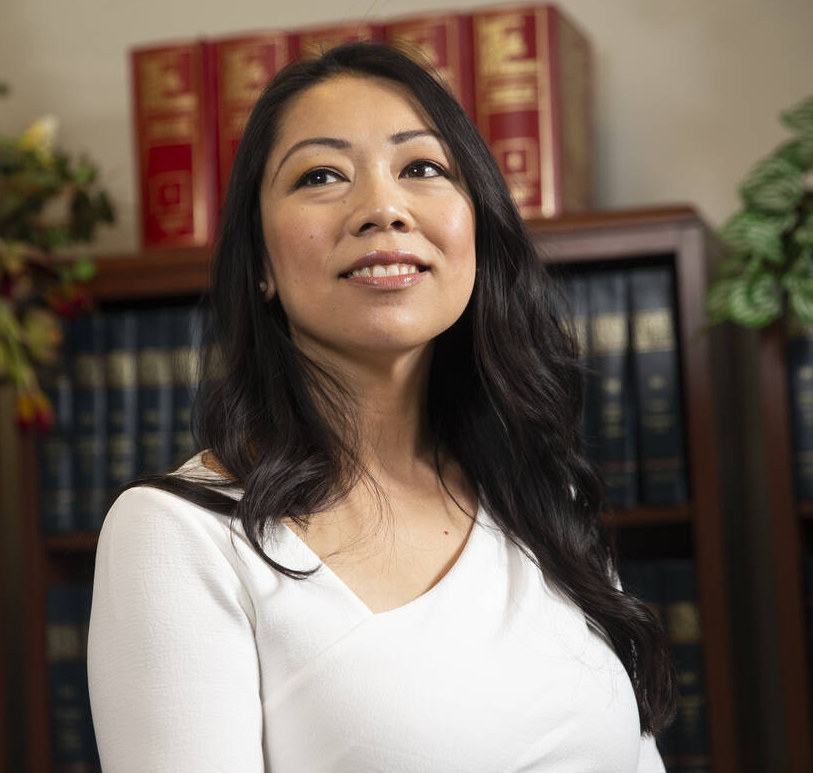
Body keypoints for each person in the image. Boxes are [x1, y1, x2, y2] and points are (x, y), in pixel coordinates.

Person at [87, 41, 675, 772]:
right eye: (322, 175)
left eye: (422, 168)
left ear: (476, 226)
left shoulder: (541, 495)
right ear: (261, 264)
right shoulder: (180, 536)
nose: (383, 209)